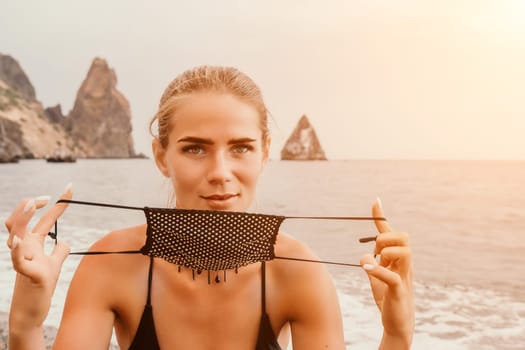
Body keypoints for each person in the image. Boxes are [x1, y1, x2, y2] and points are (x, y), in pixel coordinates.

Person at [5, 66, 414, 349]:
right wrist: (26, 317)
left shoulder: (299, 273)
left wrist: (397, 334)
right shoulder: (109, 266)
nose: (220, 172)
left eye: (240, 148)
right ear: (162, 156)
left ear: (265, 153)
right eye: (195, 148)